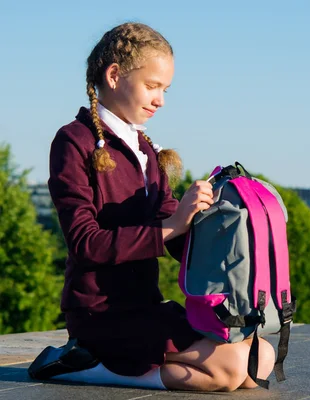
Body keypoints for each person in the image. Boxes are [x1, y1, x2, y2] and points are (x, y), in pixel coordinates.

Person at [45, 22, 275, 392]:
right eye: (152, 86)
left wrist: (223, 232)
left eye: (165, 89)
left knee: (258, 358)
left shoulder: (147, 151)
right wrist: (173, 224)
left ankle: (103, 365)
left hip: (146, 306)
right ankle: (78, 366)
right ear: (115, 75)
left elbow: (175, 235)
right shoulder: (73, 141)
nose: (160, 99)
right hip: (100, 312)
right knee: (230, 369)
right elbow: (86, 244)